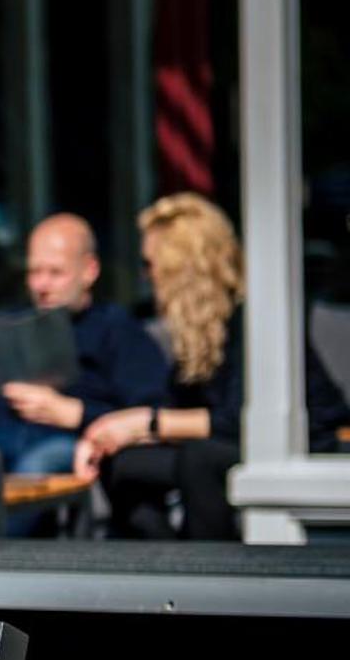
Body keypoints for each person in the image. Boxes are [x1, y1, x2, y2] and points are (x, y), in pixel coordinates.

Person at [76, 194, 349, 539]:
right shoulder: (199, 331)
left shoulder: (251, 318)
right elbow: (179, 406)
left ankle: (210, 563)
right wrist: (108, 434)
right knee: (125, 462)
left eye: (150, 264)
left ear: (182, 268)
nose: (145, 276)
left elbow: (237, 418)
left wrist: (145, 422)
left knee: (200, 458)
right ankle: (163, 556)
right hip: (231, 444)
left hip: (299, 444)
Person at [0, 214, 167, 474]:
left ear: (89, 271)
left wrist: (74, 412)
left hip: (68, 442)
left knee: (35, 466)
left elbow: (149, 413)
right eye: (34, 272)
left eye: (56, 272)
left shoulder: (116, 329)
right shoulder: (9, 323)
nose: (42, 285)